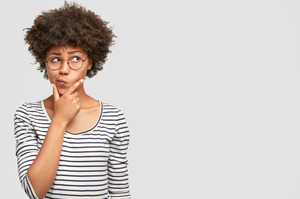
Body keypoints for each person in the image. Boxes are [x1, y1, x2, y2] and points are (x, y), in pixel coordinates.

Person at [14, 2, 131, 199]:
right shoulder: (27, 115)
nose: (64, 69)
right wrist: (60, 119)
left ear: (90, 62)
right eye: (55, 59)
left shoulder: (114, 117)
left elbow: (120, 192)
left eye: (75, 59)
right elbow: (34, 191)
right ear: (45, 62)